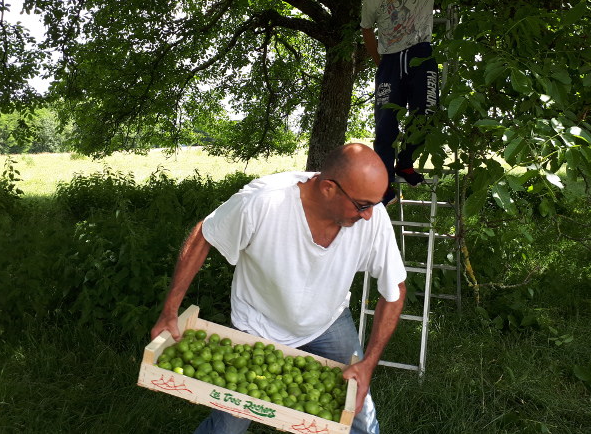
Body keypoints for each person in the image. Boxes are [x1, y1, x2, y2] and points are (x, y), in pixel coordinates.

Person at [151, 143, 407, 434]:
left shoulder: (371, 218)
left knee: (359, 413)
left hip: (327, 321)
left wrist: (369, 363)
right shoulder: (263, 201)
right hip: (258, 323)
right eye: (362, 205)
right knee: (229, 425)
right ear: (328, 188)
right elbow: (205, 234)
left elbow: (394, 290)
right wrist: (169, 311)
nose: (368, 216)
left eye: (376, 204)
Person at [361, 0, 471, 205]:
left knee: (426, 115)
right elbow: (366, 29)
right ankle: (385, 189)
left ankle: (405, 162)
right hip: (389, 60)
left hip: (420, 53)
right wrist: (379, 62)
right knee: (385, 126)